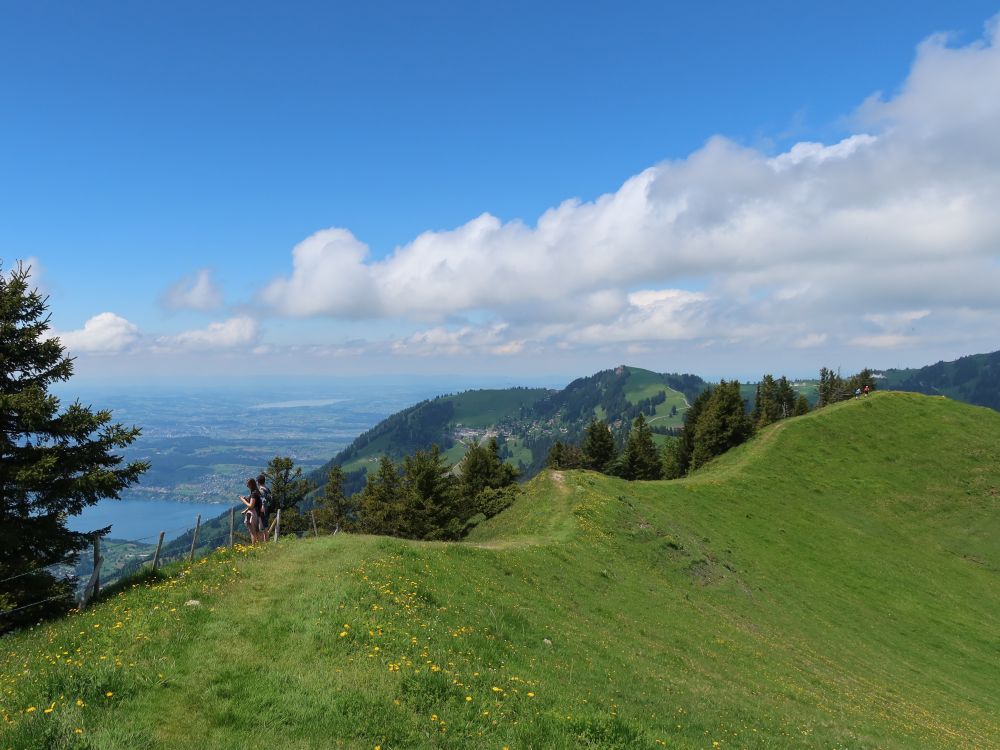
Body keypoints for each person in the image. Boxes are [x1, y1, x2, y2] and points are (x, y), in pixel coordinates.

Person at [240, 477, 264, 544]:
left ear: (250, 485)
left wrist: (243, 500)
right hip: (258, 515)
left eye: (247, 484)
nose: (247, 486)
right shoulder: (257, 492)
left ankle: (254, 549)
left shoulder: (254, 494)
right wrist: (245, 510)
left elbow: (251, 506)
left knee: (253, 533)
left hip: (252, 515)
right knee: (258, 532)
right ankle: (261, 547)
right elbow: (255, 504)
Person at [257, 473, 273, 542]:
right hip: (268, 509)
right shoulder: (267, 489)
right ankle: (266, 542)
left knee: (262, 529)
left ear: (258, 482)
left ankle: (265, 543)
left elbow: (262, 501)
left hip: (263, 511)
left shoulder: (261, 490)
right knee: (265, 527)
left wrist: (261, 512)